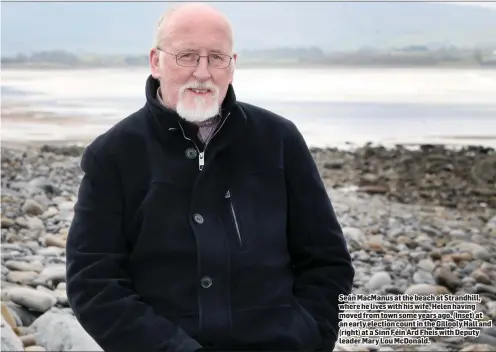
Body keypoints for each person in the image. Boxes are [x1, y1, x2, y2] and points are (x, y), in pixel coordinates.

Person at [66, 3, 355, 352]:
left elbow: (327, 262)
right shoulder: (112, 155)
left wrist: (309, 335)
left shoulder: (279, 140)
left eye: (216, 58)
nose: (203, 72)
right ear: (155, 62)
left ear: (232, 66)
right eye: (187, 56)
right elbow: (93, 282)